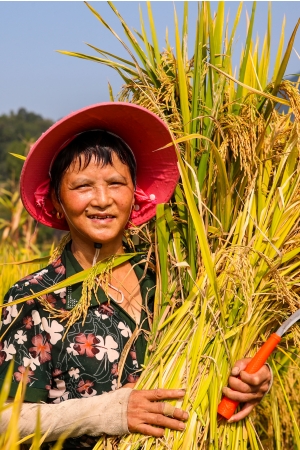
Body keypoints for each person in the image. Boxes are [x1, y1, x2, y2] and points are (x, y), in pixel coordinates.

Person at [0, 103, 271, 448]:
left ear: (135, 194)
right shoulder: (35, 297)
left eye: (116, 183)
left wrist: (250, 380)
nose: (102, 200)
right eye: (83, 186)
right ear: (55, 200)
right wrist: (107, 413)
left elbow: (215, 363)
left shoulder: (175, 281)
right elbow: (7, 417)